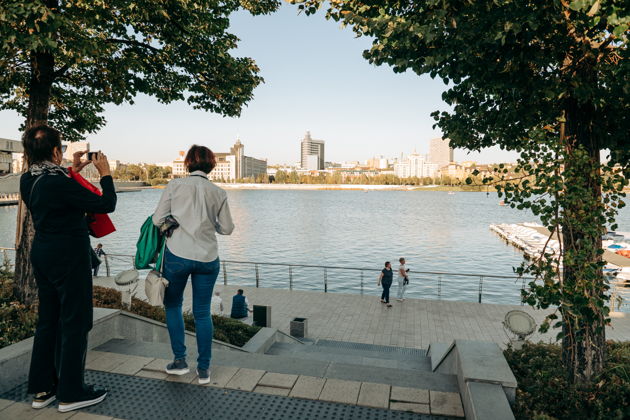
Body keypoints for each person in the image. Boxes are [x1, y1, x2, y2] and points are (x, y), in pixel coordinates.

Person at [20, 125, 116, 412]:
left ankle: (43, 389)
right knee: (76, 320)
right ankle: (72, 392)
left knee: (48, 321)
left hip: (43, 254)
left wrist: (72, 169)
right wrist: (106, 173)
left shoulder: (28, 179)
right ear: (54, 151)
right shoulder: (60, 182)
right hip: (69, 255)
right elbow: (106, 203)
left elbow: (55, 191)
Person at [152, 145, 234, 385]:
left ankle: (179, 361)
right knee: (202, 312)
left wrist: (175, 222)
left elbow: (157, 219)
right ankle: (204, 369)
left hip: (178, 255)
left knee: (173, 305)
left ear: (188, 163)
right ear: (211, 165)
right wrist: (212, 225)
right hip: (208, 258)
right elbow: (227, 228)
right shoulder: (218, 192)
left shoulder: (175, 186)